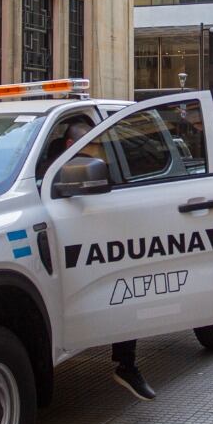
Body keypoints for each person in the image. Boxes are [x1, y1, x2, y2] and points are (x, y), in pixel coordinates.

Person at [43, 114, 158, 402]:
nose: (98, 157)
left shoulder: (87, 163)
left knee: (126, 291)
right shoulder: (48, 172)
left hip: (99, 244)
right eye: (91, 148)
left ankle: (126, 364)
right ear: (70, 145)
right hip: (67, 250)